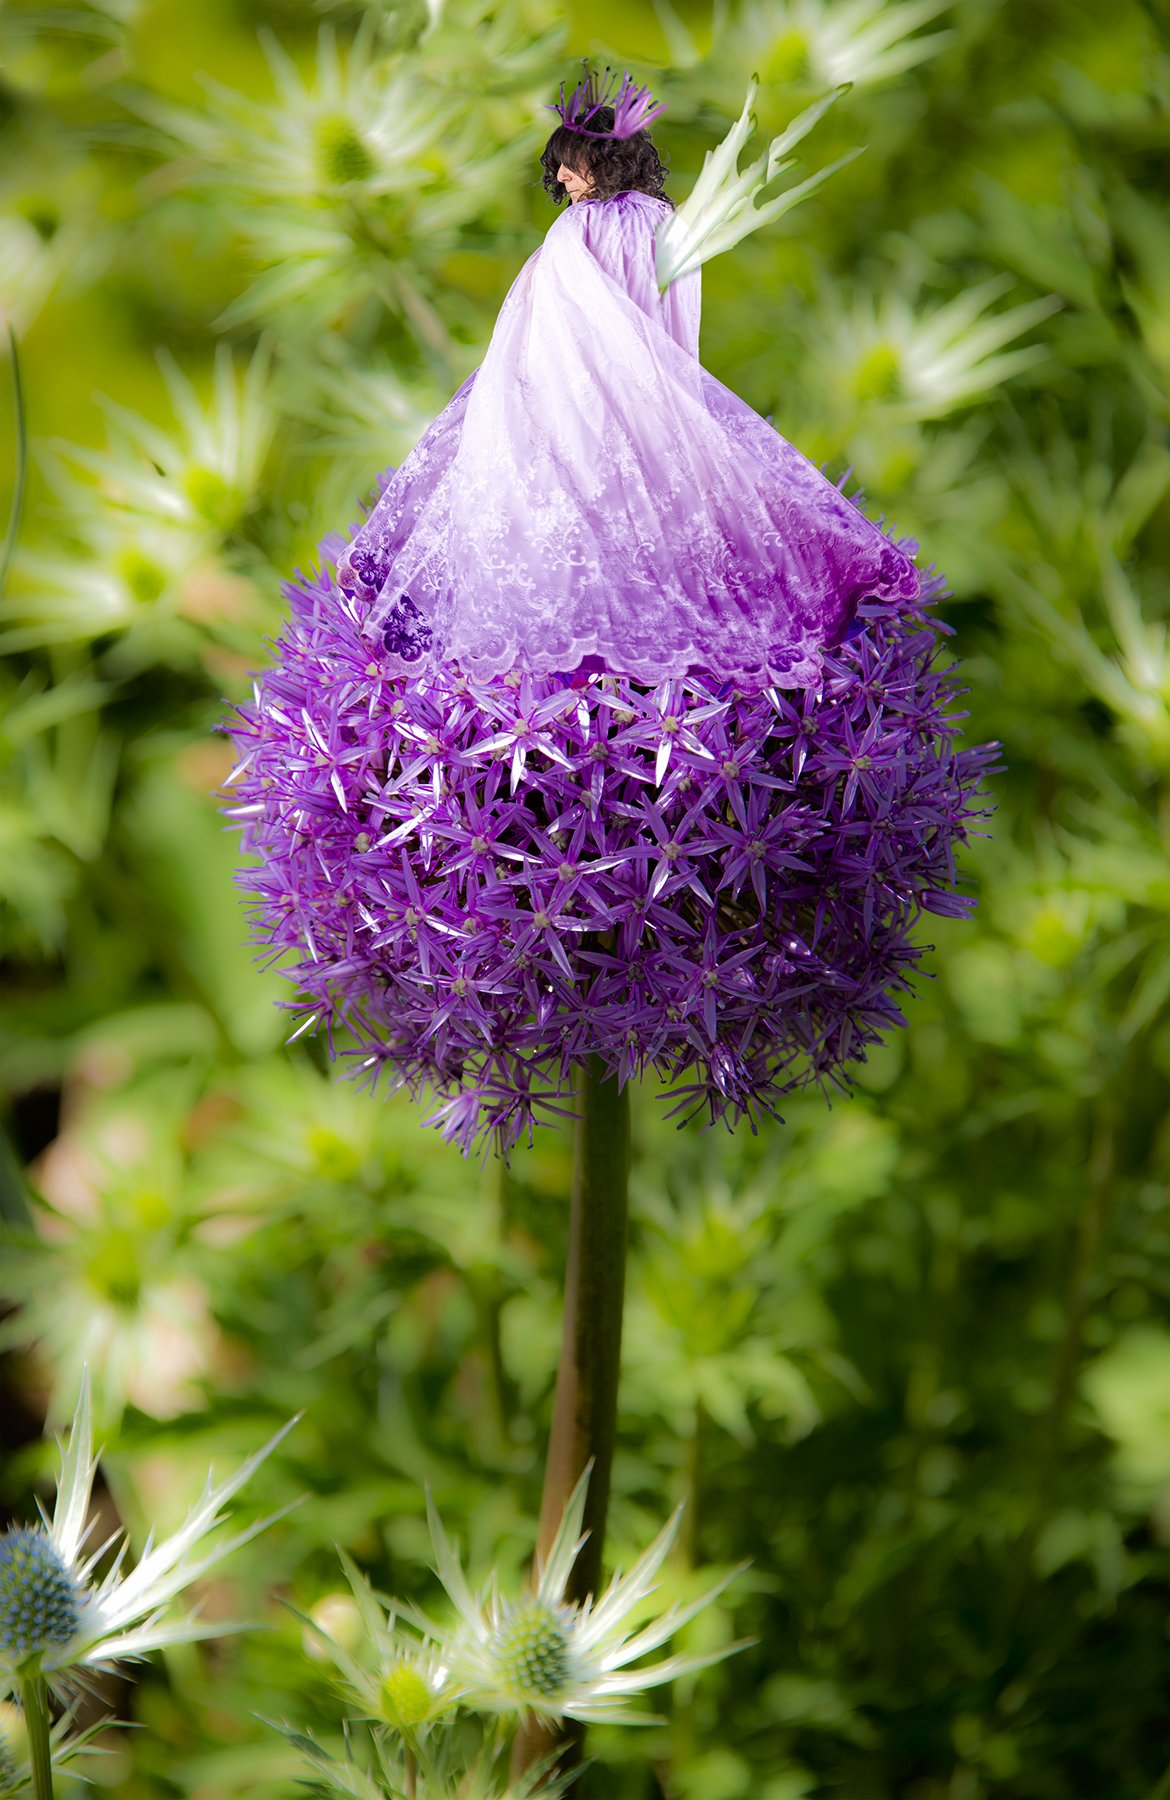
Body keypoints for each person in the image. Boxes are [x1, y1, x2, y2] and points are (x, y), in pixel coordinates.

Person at [334, 63, 919, 692]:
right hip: (657, 403)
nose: (558, 176)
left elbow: (544, 335)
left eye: (568, 162)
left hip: (576, 403)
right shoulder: (666, 223)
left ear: (598, 160)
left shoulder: (577, 229)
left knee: (569, 533)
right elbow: (676, 324)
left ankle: (577, 684)